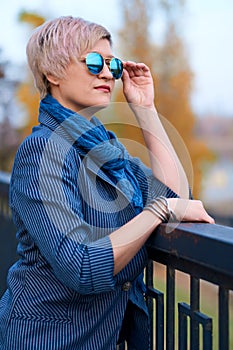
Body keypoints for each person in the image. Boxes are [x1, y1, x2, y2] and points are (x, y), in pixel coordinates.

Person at [0, 16, 214, 350]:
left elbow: (175, 196)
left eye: (112, 64)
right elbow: (82, 265)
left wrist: (145, 109)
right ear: (52, 73)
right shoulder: (42, 151)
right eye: (94, 62)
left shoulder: (105, 147)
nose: (106, 73)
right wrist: (159, 209)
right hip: (47, 340)